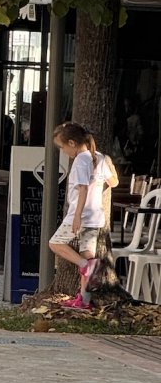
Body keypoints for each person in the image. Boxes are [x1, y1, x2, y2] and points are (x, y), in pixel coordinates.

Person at [49, 120, 115, 308]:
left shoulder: (80, 160)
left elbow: (83, 189)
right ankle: (84, 299)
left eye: (63, 147)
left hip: (80, 214)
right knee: (87, 253)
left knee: (55, 243)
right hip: (95, 216)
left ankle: (86, 266)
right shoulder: (100, 158)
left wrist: (77, 215)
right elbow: (113, 182)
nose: (64, 152)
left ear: (72, 143)